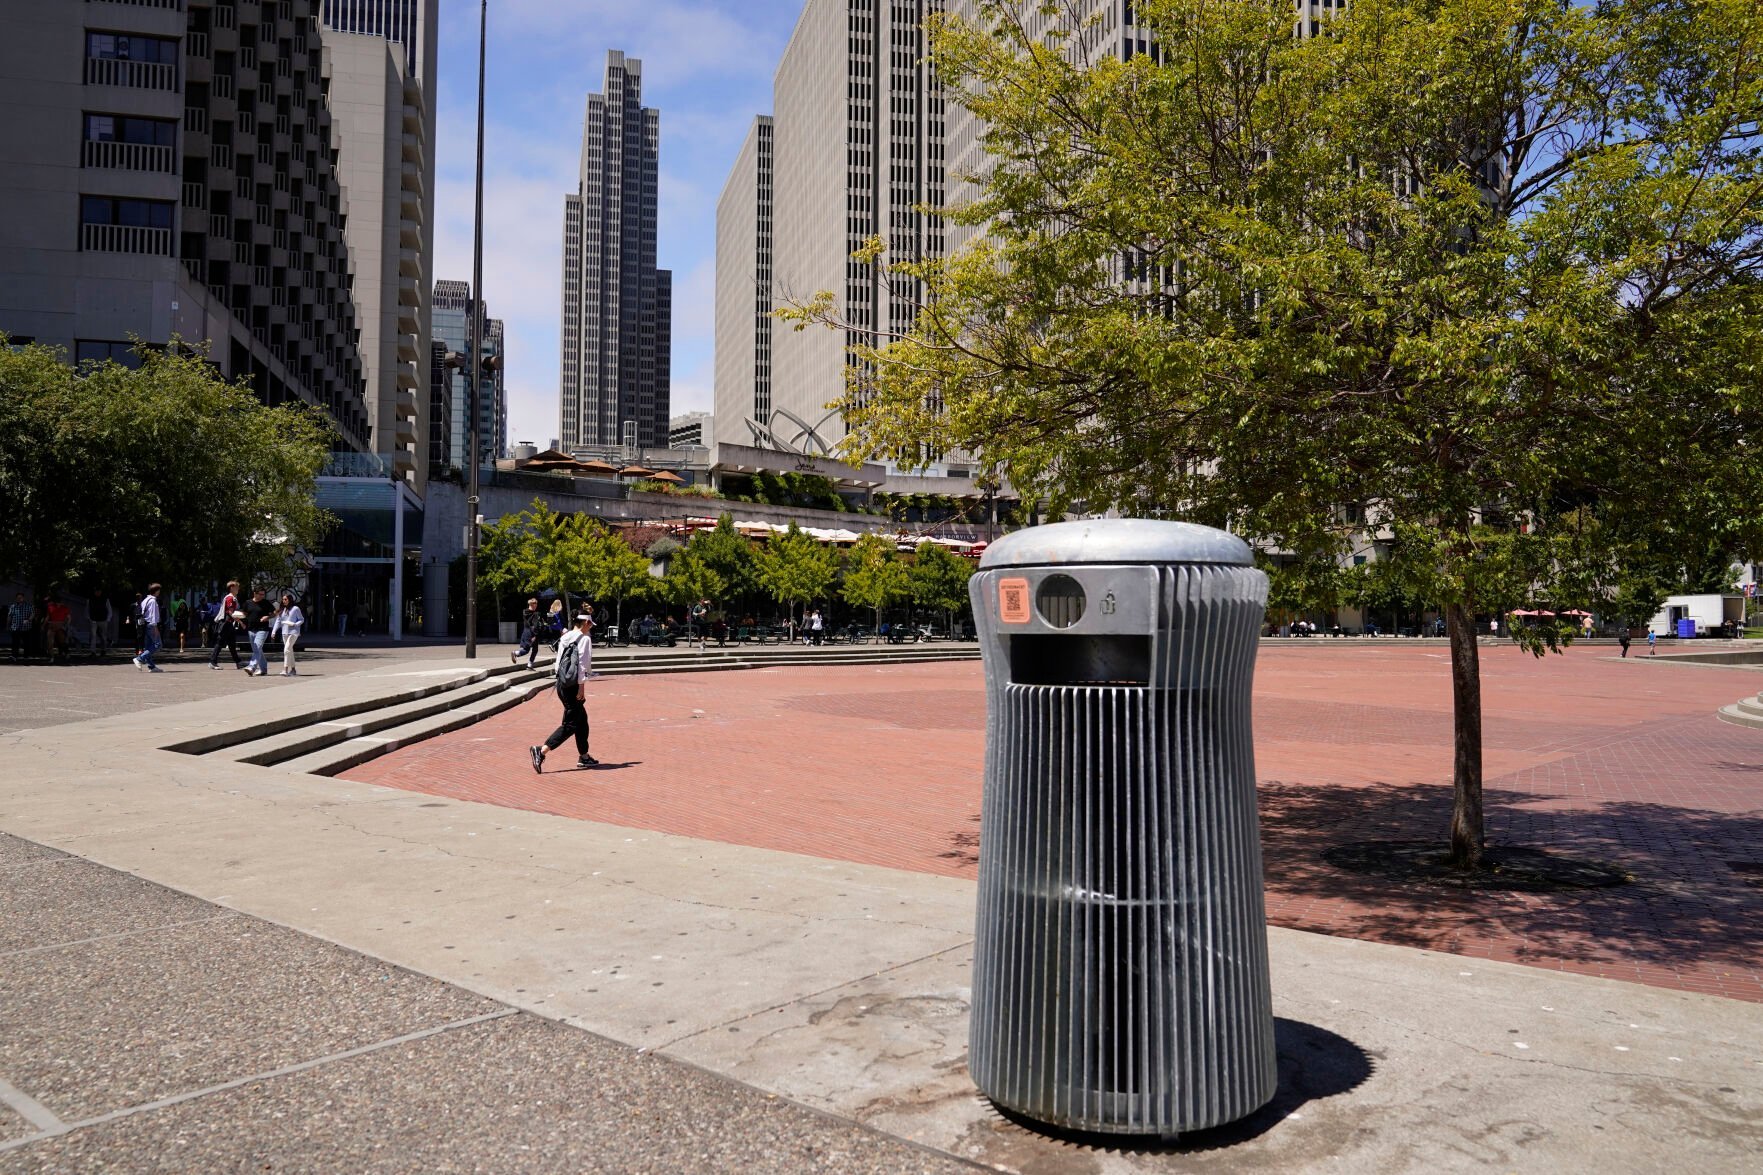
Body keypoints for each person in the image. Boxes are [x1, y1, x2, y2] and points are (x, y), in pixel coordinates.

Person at [530, 609, 597, 772]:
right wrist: (581, 686)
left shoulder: (565, 636)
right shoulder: (585, 639)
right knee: (571, 723)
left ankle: (584, 756)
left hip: (562, 683)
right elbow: (583, 665)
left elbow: (558, 662)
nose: (591, 627)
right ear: (586, 623)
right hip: (573, 685)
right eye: (590, 624)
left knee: (581, 720)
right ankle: (542, 750)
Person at [210, 581, 244, 670]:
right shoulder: (230, 598)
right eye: (237, 587)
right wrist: (241, 622)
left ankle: (238, 662)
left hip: (229, 623)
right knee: (220, 643)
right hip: (226, 623)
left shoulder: (233, 598)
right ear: (232, 588)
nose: (238, 589)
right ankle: (213, 662)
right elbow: (230, 612)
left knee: (232, 644)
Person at [133, 583, 164, 672]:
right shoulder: (153, 601)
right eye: (159, 590)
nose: (159, 592)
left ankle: (151, 666)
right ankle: (139, 659)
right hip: (151, 625)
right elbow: (152, 615)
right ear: (156, 591)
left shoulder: (145, 599)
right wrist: (155, 627)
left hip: (145, 625)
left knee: (148, 647)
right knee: (158, 645)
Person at [243, 587, 273, 677]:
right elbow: (244, 614)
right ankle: (263, 669)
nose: (262, 596)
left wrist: (268, 617)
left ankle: (252, 667)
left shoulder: (266, 603)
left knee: (257, 647)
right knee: (257, 649)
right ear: (255, 594)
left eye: (263, 594)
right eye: (260, 594)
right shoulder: (248, 603)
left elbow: (275, 612)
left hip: (263, 629)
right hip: (251, 629)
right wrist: (240, 621)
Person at [273, 592, 304, 676]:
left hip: (293, 632)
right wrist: (274, 631)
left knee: (286, 650)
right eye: (283, 599)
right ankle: (293, 669)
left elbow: (301, 619)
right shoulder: (282, 610)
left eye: (285, 599)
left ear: (290, 600)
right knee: (290, 650)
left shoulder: (295, 608)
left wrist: (295, 624)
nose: (284, 601)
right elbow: (278, 621)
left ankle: (285, 669)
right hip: (284, 632)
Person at [512, 598, 547, 669]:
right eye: (535, 604)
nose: (536, 605)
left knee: (534, 649)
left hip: (526, 632)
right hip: (532, 633)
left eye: (536, 604)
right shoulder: (535, 614)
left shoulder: (525, 612)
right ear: (531, 604)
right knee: (527, 650)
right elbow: (536, 625)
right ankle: (515, 653)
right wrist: (536, 634)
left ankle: (530, 665)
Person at [43, 594, 71, 663]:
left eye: (60, 602)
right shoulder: (50, 607)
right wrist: (43, 625)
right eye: (57, 602)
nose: (58, 604)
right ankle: (52, 657)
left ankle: (66, 652)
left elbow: (69, 618)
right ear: (55, 602)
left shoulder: (65, 608)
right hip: (52, 625)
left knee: (62, 641)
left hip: (60, 626)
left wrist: (66, 625)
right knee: (50, 642)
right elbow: (47, 617)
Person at [7, 592, 32, 660]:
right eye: (18, 598)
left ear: (23, 598)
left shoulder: (28, 606)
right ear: (16, 598)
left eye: (20, 597)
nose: (19, 599)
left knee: (26, 643)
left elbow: (32, 614)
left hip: (25, 627)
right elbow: (10, 616)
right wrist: (8, 625)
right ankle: (14, 656)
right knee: (15, 642)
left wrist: (28, 620)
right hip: (15, 627)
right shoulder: (13, 606)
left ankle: (26, 656)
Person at [87, 591, 111, 656]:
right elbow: (87, 609)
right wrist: (89, 618)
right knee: (93, 636)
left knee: (103, 636)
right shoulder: (90, 599)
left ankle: (103, 650)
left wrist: (108, 619)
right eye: (96, 591)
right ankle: (93, 651)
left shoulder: (105, 599)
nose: (97, 593)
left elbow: (109, 609)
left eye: (99, 591)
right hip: (93, 620)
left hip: (103, 620)